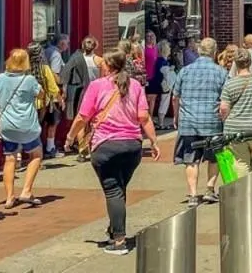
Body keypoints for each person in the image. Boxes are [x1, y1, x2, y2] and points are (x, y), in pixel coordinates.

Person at [64, 49, 160, 256]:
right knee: (119, 188)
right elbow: (143, 116)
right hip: (132, 146)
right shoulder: (134, 85)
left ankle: (119, 240)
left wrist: (71, 136)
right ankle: (114, 229)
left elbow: (83, 116)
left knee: (113, 190)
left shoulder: (97, 86)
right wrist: (153, 141)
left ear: (108, 66)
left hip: (105, 145)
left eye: (103, 63)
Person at [171, 38, 226, 205]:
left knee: (190, 159)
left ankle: (193, 194)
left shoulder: (185, 71)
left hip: (189, 122)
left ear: (199, 51)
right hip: (212, 123)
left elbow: (175, 97)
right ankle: (210, 189)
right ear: (215, 52)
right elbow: (225, 100)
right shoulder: (221, 72)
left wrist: (176, 116)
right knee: (214, 157)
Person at [0, 48, 44, 210]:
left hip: (7, 124)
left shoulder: (0, 79)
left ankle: (9, 197)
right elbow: (40, 95)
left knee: (10, 159)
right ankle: (26, 190)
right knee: (36, 154)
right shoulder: (29, 80)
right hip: (27, 124)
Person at [218, 49, 252, 179]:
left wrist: (225, 120)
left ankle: (244, 195)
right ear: (250, 63)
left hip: (235, 131)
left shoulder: (230, 84)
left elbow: (224, 108)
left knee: (241, 164)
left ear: (235, 63)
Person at [60, 36, 101, 161]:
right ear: (95, 46)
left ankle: (82, 151)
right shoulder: (99, 60)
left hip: (82, 93)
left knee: (81, 121)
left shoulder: (75, 58)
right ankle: (96, 146)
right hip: (98, 93)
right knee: (97, 121)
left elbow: (64, 74)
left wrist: (64, 91)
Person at [26, 42, 62, 159]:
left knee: (30, 131)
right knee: (41, 129)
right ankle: (40, 155)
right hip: (42, 105)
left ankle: (22, 157)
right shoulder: (45, 69)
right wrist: (60, 99)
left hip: (27, 104)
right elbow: (53, 88)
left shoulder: (25, 69)